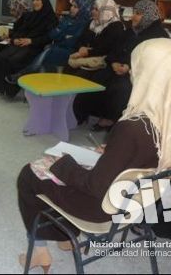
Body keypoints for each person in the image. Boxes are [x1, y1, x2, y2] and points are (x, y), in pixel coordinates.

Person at [17, 37, 171, 273]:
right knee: (80, 164)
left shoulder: (132, 127)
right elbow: (147, 157)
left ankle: (40, 252)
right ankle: (66, 239)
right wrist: (113, 154)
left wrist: (63, 164)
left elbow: (94, 186)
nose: (131, 71)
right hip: (136, 205)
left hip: (101, 209)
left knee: (29, 174)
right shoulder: (164, 120)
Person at [73, 0, 169, 131]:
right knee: (96, 79)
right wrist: (113, 62)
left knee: (120, 87)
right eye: (134, 13)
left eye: (138, 14)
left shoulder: (158, 35)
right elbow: (114, 51)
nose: (133, 17)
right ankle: (80, 115)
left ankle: (112, 119)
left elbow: (153, 62)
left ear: (148, 16)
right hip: (116, 68)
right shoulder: (130, 31)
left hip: (139, 75)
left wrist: (129, 67)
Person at [6, 0, 93, 83]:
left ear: (83, 9)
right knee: (46, 53)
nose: (71, 8)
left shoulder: (85, 25)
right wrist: (64, 35)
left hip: (71, 52)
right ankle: (29, 82)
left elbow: (71, 43)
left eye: (75, 7)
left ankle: (22, 75)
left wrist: (61, 34)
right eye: (72, 5)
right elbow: (52, 35)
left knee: (48, 52)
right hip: (57, 47)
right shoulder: (67, 19)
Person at [0, 0, 57, 97]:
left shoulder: (51, 19)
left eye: (37, 0)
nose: (35, 2)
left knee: (14, 60)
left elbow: (49, 37)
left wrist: (31, 41)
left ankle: (11, 91)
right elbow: (20, 30)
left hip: (35, 47)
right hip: (20, 44)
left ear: (44, 1)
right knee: (0, 57)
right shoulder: (29, 15)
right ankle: (1, 89)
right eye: (33, 0)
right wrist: (15, 39)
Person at [65, 0, 125, 83]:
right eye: (93, 8)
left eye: (96, 9)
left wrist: (88, 52)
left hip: (102, 62)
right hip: (86, 57)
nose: (92, 11)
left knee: (79, 76)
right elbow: (80, 40)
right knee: (68, 68)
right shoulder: (92, 23)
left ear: (106, 11)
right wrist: (81, 47)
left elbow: (106, 48)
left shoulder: (116, 26)